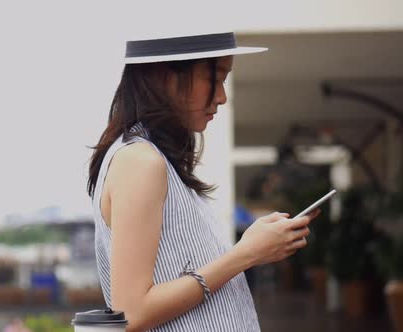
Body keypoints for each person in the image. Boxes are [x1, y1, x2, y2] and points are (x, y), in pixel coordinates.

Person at [86, 29, 321, 331]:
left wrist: (250, 249)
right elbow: (130, 312)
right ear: (167, 74)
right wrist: (245, 254)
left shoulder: (153, 160)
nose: (222, 97)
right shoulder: (140, 161)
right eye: (216, 78)